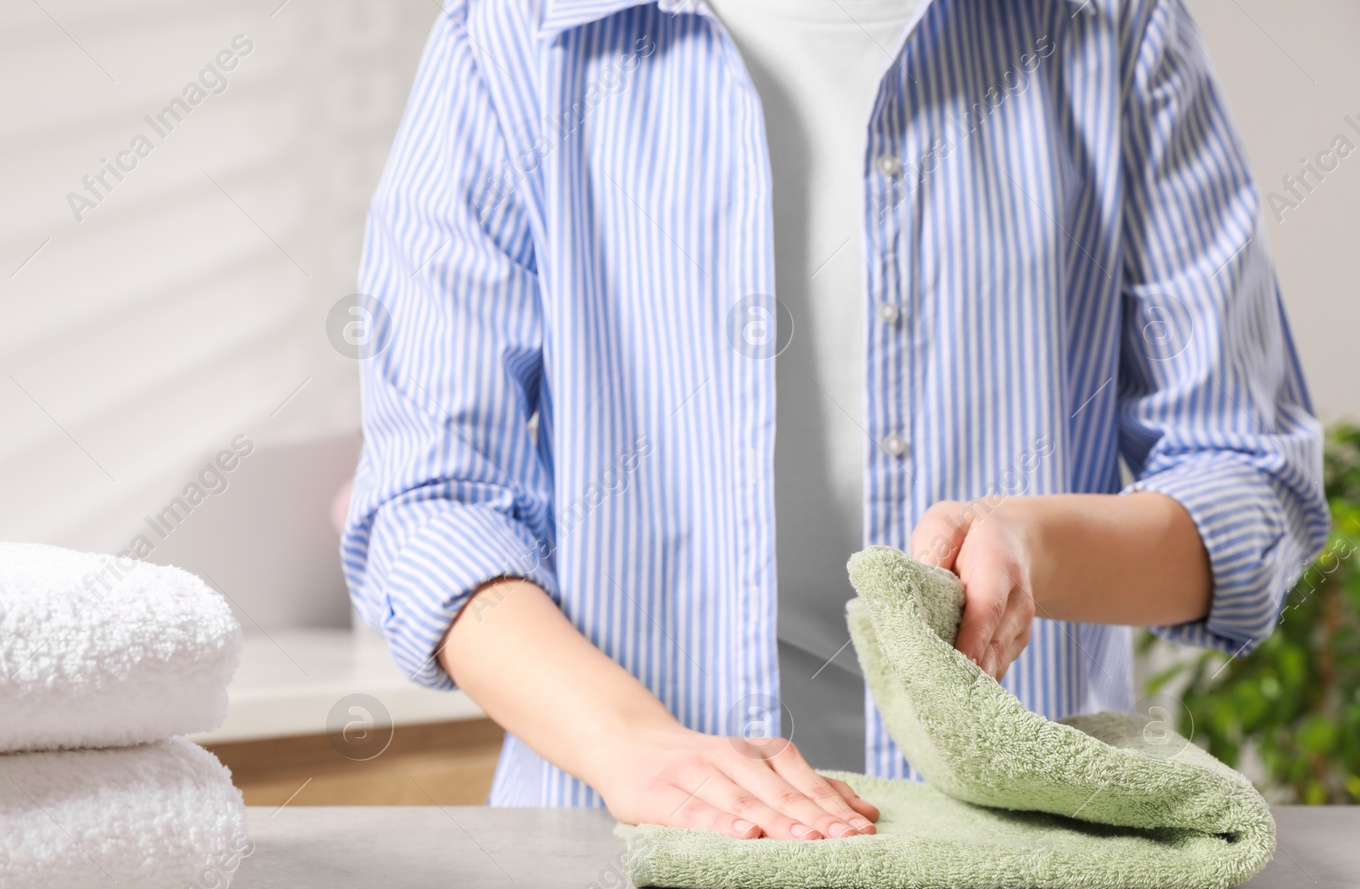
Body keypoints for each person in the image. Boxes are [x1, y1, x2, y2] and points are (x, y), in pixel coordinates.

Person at [338, 0, 1329, 841]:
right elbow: (431, 504)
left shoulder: (1108, 25)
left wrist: (1038, 547)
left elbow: (1251, 487)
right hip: (612, 866)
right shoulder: (514, 33)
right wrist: (630, 748)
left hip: (1016, 886)